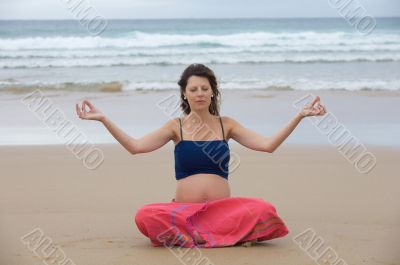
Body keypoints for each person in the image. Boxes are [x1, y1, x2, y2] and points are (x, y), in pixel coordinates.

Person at [76, 63, 327, 248]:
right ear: (185, 93)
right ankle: (218, 237)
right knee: (145, 214)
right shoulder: (176, 126)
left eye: (204, 88)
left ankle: (201, 237)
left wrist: (299, 116)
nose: (199, 93)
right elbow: (135, 146)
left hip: (222, 212)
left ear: (212, 92)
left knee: (264, 208)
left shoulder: (226, 124)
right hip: (185, 213)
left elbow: (268, 145)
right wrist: (103, 119)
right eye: (193, 89)